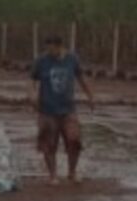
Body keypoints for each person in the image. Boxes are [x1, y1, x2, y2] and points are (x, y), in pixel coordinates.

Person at [29, 35, 95, 185]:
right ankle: (53, 175)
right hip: (47, 110)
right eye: (47, 48)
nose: (49, 52)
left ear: (60, 47)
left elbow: (81, 78)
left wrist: (90, 96)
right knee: (48, 143)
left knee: (74, 140)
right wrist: (31, 96)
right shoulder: (40, 61)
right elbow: (31, 81)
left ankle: (72, 172)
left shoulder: (72, 59)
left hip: (68, 109)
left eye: (51, 48)